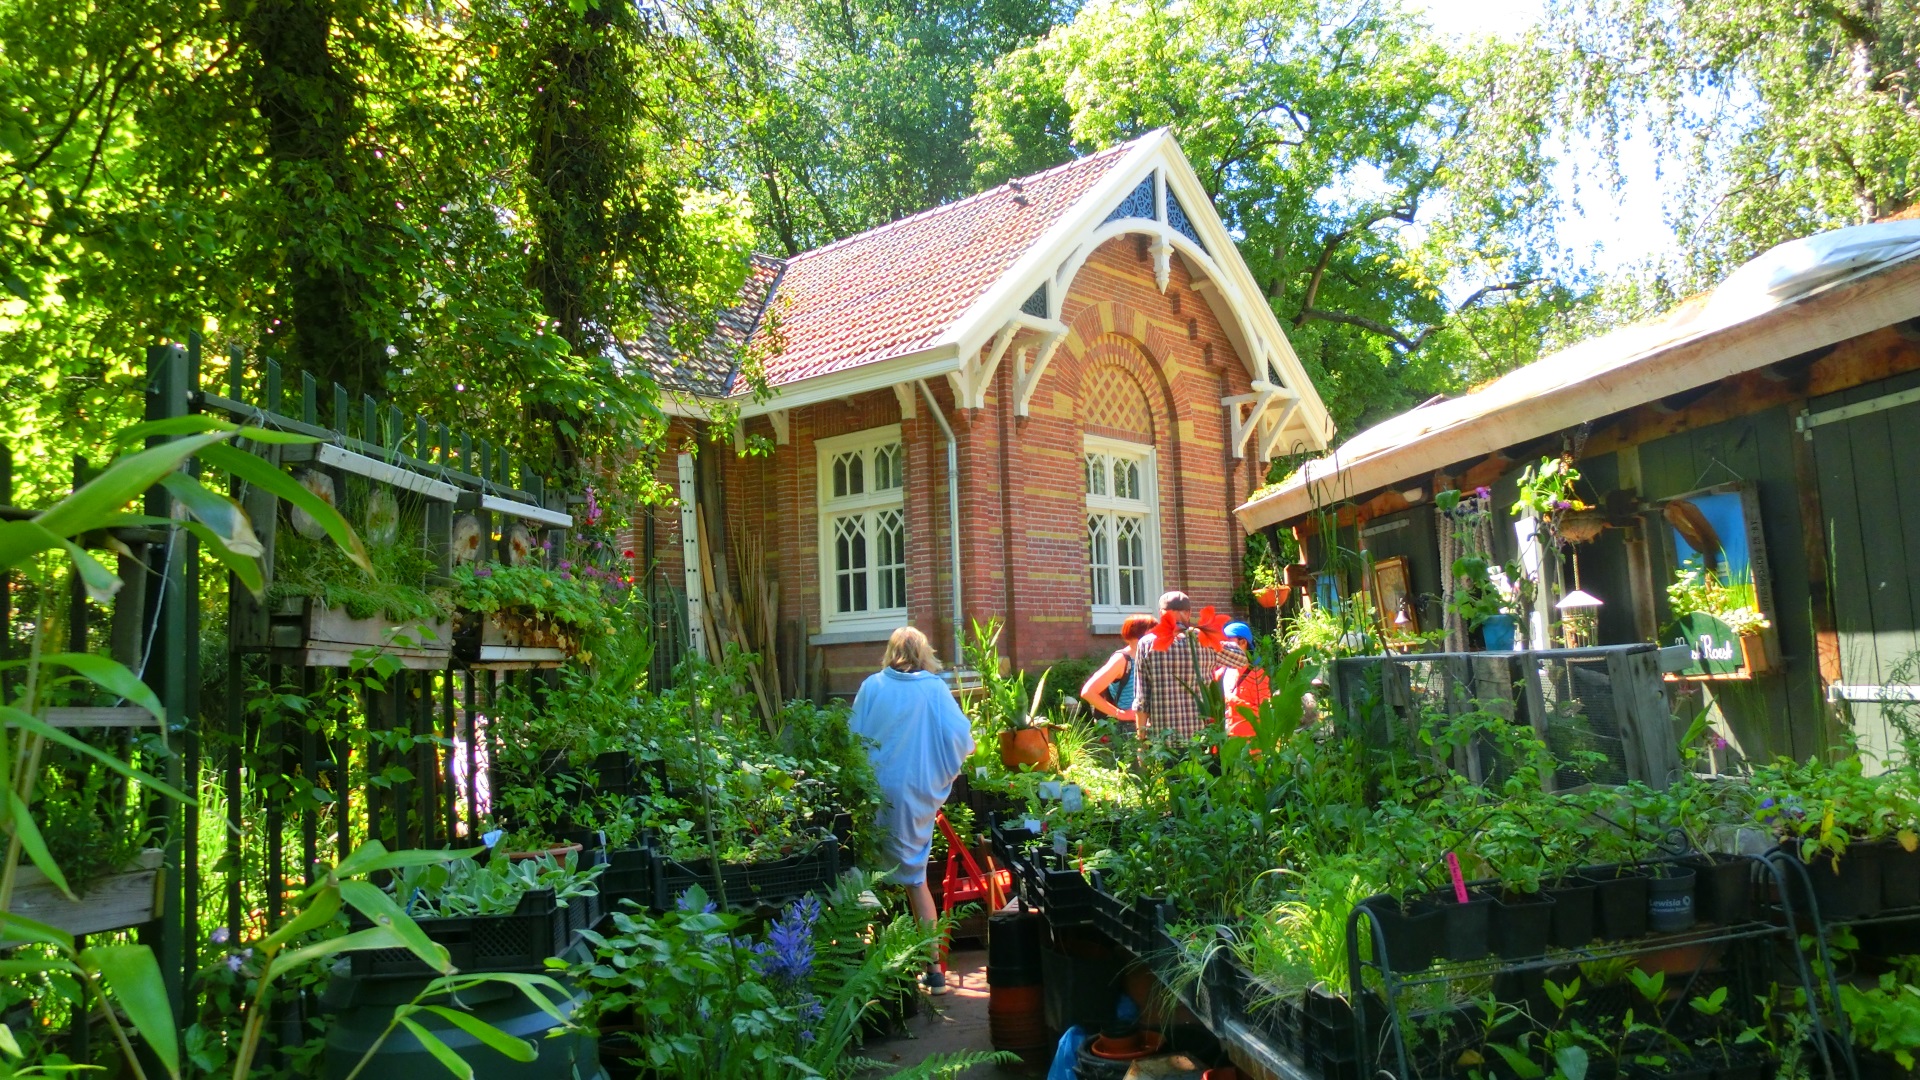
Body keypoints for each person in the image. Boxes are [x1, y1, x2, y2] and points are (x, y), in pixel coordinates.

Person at [846, 626, 975, 995]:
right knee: (915, 879)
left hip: (874, 792)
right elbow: (962, 739)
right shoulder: (933, 689)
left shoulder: (872, 686)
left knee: (869, 877)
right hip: (914, 793)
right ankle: (934, 970)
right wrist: (941, 772)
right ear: (923, 653)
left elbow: (853, 738)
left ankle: (868, 969)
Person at [1131, 591, 1245, 743]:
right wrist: (1208, 637)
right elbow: (1242, 659)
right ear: (1189, 613)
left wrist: (1141, 743)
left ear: (1161, 614)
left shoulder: (1146, 643)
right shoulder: (1203, 641)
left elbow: (1141, 699)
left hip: (1164, 740)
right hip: (1203, 739)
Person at [1080, 613, 1156, 731]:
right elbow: (1088, 692)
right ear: (1140, 634)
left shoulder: (1150, 656)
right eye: (1153, 631)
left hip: (1153, 726)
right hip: (1130, 729)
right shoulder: (1122, 659)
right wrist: (1121, 714)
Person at [1218, 621, 1270, 738]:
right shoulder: (1223, 670)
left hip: (1250, 744)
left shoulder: (1259, 675)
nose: (1223, 645)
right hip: (1227, 741)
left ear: (1243, 642)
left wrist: (1235, 701)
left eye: (1227, 641)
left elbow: (1264, 713)